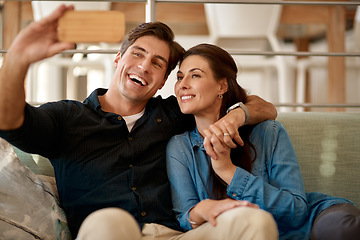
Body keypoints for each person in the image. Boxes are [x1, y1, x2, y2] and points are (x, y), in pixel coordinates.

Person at [0, 5, 278, 240]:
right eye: (138, 54)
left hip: (173, 234)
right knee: (111, 221)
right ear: (118, 58)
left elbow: (265, 108)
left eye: (158, 63)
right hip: (107, 232)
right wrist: (18, 60)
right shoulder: (68, 117)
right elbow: (9, 120)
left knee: (255, 223)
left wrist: (235, 116)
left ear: (162, 82)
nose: (145, 66)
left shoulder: (173, 114)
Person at [166, 43, 360, 240]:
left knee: (343, 229)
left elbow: (297, 212)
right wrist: (202, 210)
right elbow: (185, 218)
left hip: (309, 224)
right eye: (180, 77)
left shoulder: (267, 132)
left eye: (195, 75)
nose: (182, 84)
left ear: (222, 86)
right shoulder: (181, 147)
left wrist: (228, 171)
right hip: (245, 233)